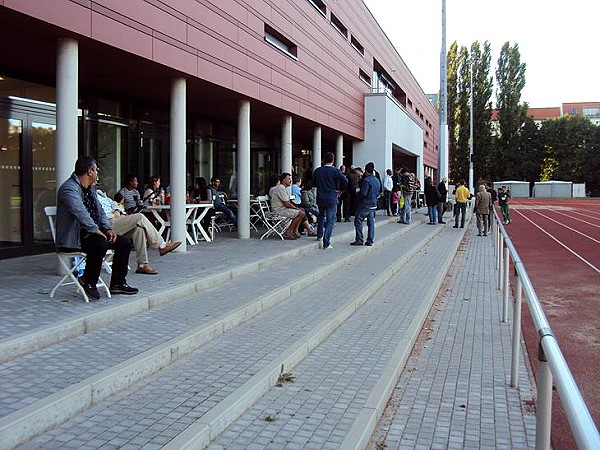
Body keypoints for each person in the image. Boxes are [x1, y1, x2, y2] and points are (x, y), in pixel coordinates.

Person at [56, 156, 138, 300]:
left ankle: (118, 284)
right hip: (74, 237)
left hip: (93, 233)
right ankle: (89, 281)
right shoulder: (69, 189)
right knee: (100, 243)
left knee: (124, 243)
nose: (97, 173)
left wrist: (107, 229)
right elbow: (80, 212)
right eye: (96, 170)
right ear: (90, 171)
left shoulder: (91, 188)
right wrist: (96, 230)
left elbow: (99, 211)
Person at [97, 189, 181, 274]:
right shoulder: (89, 196)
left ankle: (142, 265)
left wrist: (117, 211)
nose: (96, 180)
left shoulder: (100, 193)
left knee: (139, 229)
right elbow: (95, 215)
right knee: (140, 217)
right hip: (107, 224)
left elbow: (115, 204)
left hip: (117, 219)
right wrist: (112, 215)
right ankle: (162, 245)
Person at [312, 152, 348, 250]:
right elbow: (345, 181)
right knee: (330, 220)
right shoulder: (336, 171)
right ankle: (326, 242)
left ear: (323, 160)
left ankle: (319, 235)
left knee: (320, 216)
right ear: (333, 160)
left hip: (320, 197)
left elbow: (313, 183)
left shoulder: (318, 171)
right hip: (332, 197)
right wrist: (340, 191)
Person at [351, 162, 380, 246]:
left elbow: (363, 193)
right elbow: (379, 191)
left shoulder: (366, 180)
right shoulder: (376, 180)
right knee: (371, 222)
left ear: (366, 170)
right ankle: (370, 240)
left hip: (365, 204)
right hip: (373, 204)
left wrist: (357, 193)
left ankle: (359, 239)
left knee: (358, 220)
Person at [269, 172, 306, 239]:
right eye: (288, 179)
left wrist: (296, 208)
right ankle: (288, 232)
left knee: (302, 210)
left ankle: (295, 231)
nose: (291, 181)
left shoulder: (282, 188)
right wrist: (295, 208)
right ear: (283, 180)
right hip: (279, 211)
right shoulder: (281, 188)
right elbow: (287, 203)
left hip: (282, 209)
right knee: (300, 213)